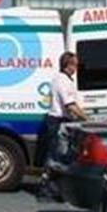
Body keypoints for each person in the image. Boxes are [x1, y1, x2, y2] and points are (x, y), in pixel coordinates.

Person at [37, 52, 86, 200]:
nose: (76, 68)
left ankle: (55, 189)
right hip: (58, 122)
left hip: (60, 121)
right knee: (54, 157)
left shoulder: (64, 79)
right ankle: (45, 190)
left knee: (59, 157)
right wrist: (87, 118)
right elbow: (70, 105)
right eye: (75, 65)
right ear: (68, 65)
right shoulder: (62, 81)